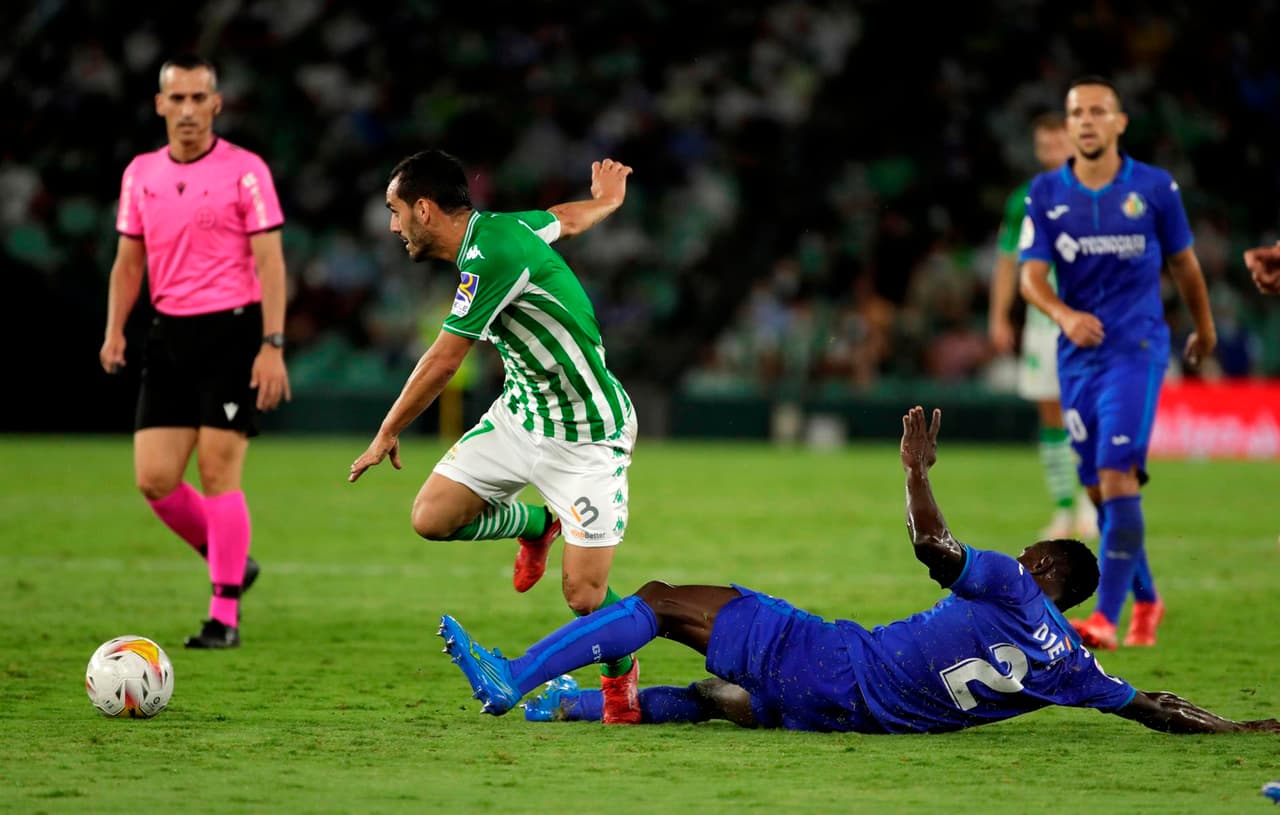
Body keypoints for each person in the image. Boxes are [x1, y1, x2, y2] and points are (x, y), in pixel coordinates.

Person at [438, 407, 1279, 735]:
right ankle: (567, 706)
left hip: (836, 661)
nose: (1023, 553)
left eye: (1034, 551)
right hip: (850, 714)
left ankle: (517, 675)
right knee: (713, 698)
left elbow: (933, 551)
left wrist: (916, 469)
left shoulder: (1015, 584)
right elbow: (1155, 707)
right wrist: (1243, 729)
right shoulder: (1075, 663)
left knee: (659, 600)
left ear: (1048, 565)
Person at [347, 150, 643, 723]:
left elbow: (442, 361)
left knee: (584, 596)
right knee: (430, 518)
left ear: (425, 210)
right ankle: (537, 523)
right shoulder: (500, 231)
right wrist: (605, 201)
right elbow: (563, 217)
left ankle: (618, 677)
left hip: (587, 436)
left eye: (395, 210)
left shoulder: (491, 255)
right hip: (522, 416)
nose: (391, 225)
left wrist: (386, 432)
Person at [1018, 76, 1216, 650]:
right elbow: (1030, 276)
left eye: (1098, 111)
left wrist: (1204, 330)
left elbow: (1185, 266)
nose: (1085, 120)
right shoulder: (1046, 192)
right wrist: (1062, 314)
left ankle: (1105, 617)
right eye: (1076, 111)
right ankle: (1149, 600)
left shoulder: (1153, 188)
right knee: (1103, 491)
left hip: (1137, 351)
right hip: (1077, 355)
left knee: (1113, 474)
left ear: (1119, 123)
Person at [99, 54, 290, 649]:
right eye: (175, 99)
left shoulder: (246, 171)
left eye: (197, 98)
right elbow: (130, 262)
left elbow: (270, 263)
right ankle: (229, 558)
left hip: (233, 334)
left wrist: (272, 344)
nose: (186, 110)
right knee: (154, 479)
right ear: (160, 105)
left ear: (216, 104)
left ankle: (223, 617)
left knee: (216, 472)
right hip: (168, 335)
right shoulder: (140, 174)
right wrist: (114, 331)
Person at [988, 111, 1096, 540]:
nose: (1051, 152)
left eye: (1058, 144)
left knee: (1089, 411)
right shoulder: (1024, 200)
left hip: (1086, 319)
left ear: (1073, 144)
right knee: (1050, 411)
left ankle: (1092, 504)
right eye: (1044, 145)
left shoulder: (1095, 194)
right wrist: (999, 314)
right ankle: (1064, 508)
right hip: (1040, 322)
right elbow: (1006, 262)